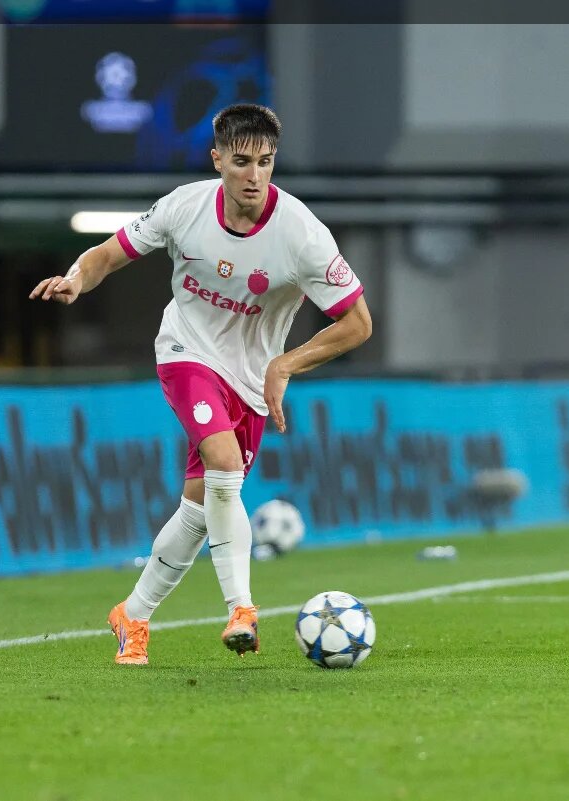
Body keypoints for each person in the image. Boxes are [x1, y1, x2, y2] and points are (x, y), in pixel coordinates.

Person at [29, 104, 372, 665]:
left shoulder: (303, 234)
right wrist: (75, 279)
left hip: (251, 377)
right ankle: (242, 610)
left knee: (199, 510)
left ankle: (132, 615)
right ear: (217, 159)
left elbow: (357, 323)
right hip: (185, 352)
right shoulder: (183, 208)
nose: (254, 176)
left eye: (265, 162)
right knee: (224, 465)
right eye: (241, 162)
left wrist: (285, 365)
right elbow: (107, 255)